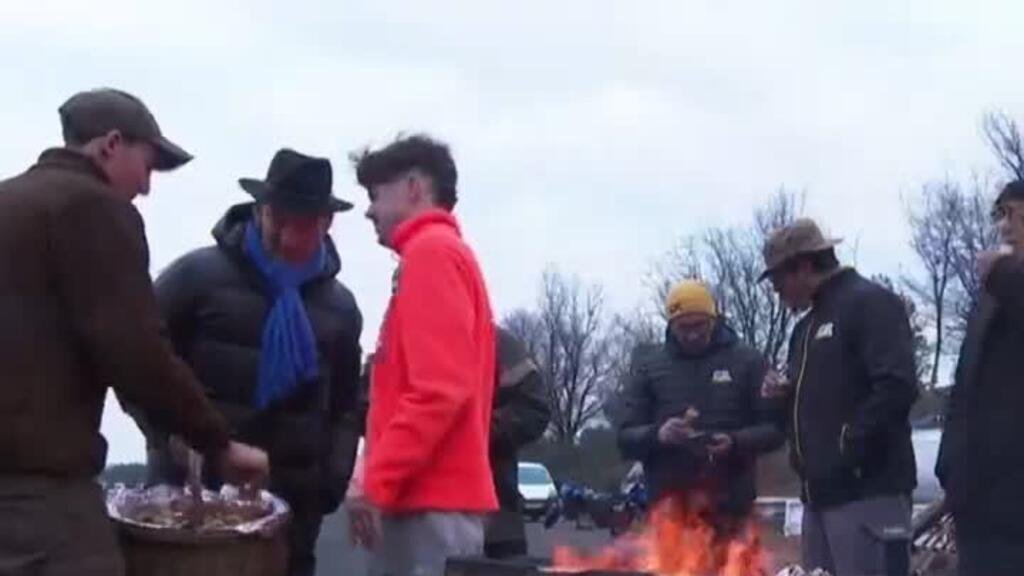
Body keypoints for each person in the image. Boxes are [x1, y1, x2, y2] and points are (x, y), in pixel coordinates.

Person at [0, 87, 268, 576]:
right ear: (110, 144)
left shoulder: (10, 201)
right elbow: (135, 351)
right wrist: (217, 442)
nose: (146, 188)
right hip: (39, 495)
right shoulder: (92, 209)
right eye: (147, 166)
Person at [133, 149, 363, 576]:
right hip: (193, 498)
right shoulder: (195, 277)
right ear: (259, 211)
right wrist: (168, 439)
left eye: (305, 224)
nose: (290, 237)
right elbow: (139, 362)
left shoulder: (341, 308)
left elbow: (347, 405)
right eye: (281, 220)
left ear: (327, 223)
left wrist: (329, 480)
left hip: (294, 507)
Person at [350, 134, 498, 576]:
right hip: (428, 504)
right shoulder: (439, 254)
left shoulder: (431, 254)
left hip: (429, 508)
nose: (369, 210)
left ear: (414, 188)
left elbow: (439, 391)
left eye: (376, 195)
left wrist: (375, 480)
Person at [759, 218, 918, 576]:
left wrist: (849, 445)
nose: (775, 291)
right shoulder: (804, 329)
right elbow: (825, 400)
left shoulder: (871, 304)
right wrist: (786, 396)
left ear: (801, 267)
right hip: (817, 500)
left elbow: (897, 386)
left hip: (869, 494)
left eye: (777, 280)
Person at [618, 280, 784, 531]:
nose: (693, 334)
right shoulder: (648, 367)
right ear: (671, 325)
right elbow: (625, 437)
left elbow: (775, 430)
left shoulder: (748, 361)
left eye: (700, 325)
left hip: (731, 507)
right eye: (684, 327)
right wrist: (658, 435)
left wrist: (735, 441)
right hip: (669, 508)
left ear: (714, 319)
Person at [936, 180, 1024, 576]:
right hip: (980, 502)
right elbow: (965, 384)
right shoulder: (990, 298)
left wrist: (1006, 276)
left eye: (1017, 215)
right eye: (1002, 215)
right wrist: (949, 463)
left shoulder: (1005, 282)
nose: (1006, 228)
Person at [485, 328, 550, 559]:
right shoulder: (397, 338)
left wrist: (479, 428)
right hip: (407, 523)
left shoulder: (498, 344)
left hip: (495, 523)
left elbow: (535, 410)